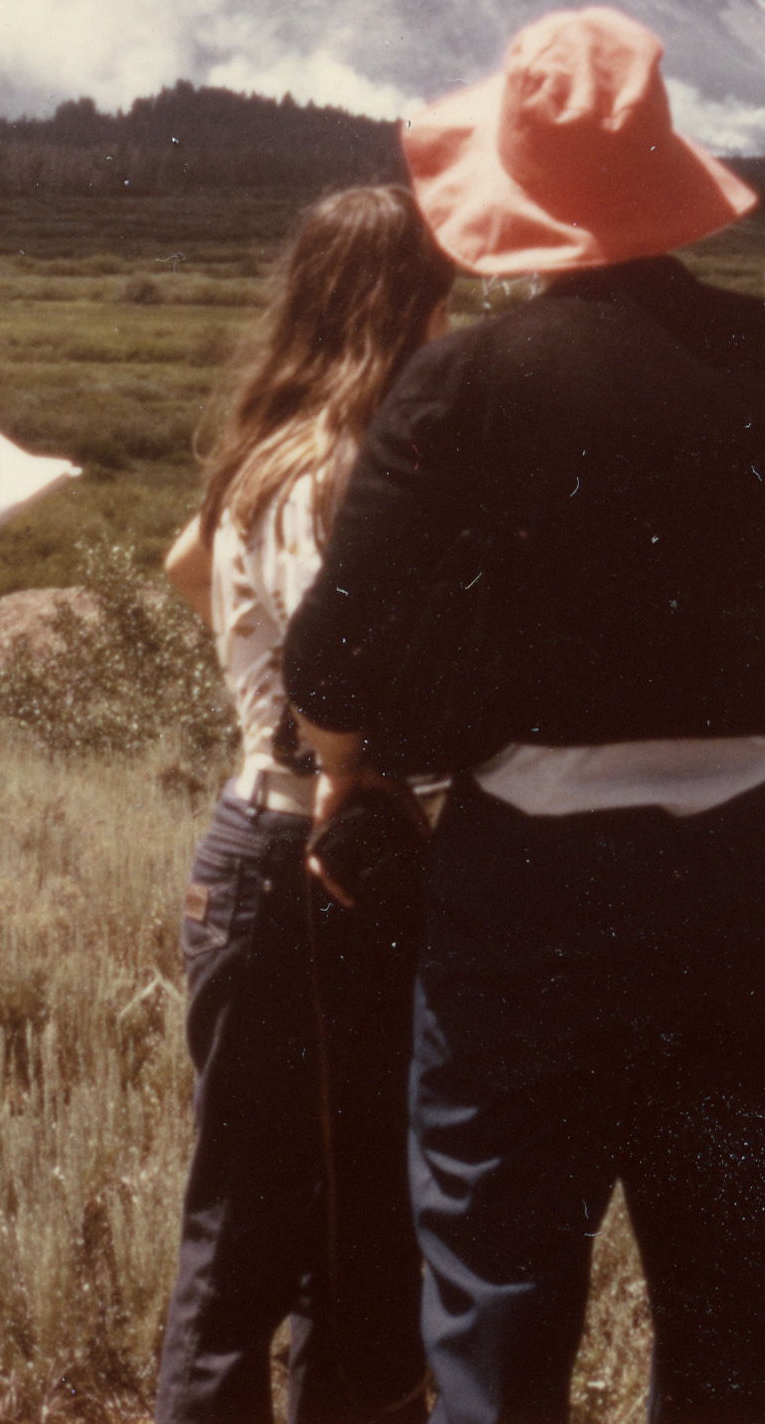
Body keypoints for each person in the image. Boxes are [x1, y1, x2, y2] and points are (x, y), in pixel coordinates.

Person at [282, 7, 765, 1424]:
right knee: (731, 1305)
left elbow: (326, 668)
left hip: (531, 879)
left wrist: (346, 782)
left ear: (508, 196)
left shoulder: (461, 385)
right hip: (744, 875)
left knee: (499, 1287)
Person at [154, 186, 460, 1424]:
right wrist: (342, 748)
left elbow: (185, 564)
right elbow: (338, 667)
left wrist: (250, 673)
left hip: (271, 847)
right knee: (298, 1225)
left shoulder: (273, 443)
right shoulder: (342, 463)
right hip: (317, 854)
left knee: (288, 1210)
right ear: (409, 305)